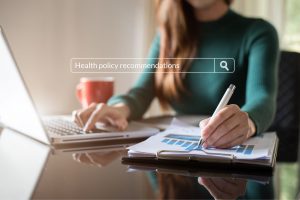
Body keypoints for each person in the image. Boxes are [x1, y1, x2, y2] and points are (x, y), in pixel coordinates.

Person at [73, 0, 279, 149]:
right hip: (173, 163)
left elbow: (262, 97)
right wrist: (119, 109)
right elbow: (142, 91)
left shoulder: (258, 32)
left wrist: (248, 121)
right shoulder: (167, 35)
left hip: (232, 164)